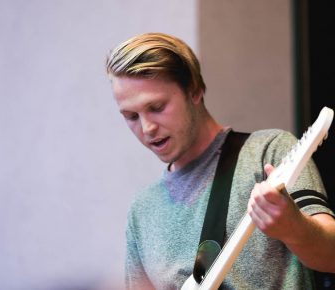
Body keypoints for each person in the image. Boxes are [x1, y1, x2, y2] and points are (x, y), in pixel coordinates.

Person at [105, 32, 335, 289]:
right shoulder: (142, 211)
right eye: (131, 116)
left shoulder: (268, 152)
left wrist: (294, 227)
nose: (147, 127)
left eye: (157, 108)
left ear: (194, 90)